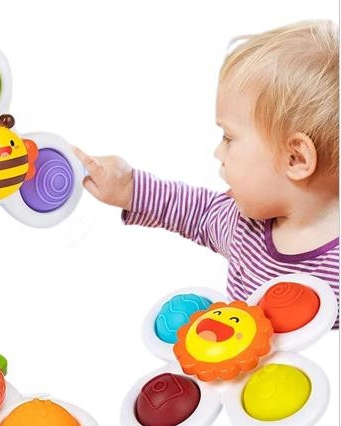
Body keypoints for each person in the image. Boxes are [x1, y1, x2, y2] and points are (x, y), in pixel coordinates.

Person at [74, 20, 339, 328]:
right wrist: (128, 187)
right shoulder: (245, 227)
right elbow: (196, 211)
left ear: (295, 158)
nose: (218, 152)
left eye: (229, 137)